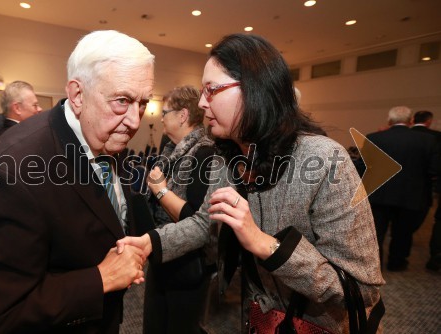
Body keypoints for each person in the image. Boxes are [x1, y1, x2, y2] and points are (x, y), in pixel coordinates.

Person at [118, 34, 384, 334]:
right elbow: (205, 223)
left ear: (254, 90)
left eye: (211, 90)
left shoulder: (324, 159)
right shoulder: (226, 157)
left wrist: (264, 244)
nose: (202, 103)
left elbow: (362, 289)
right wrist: (151, 241)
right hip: (256, 320)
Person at [0, 30, 154, 334]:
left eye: (143, 102)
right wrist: (101, 279)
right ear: (77, 95)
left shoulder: (107, 133)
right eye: (122, 100)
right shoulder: (10, 172)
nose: (135, 120)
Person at [143, 86, 215, 334]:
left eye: (165, 112)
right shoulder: (170, 149)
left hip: (187, 264)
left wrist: (161, 190)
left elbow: (194, 219)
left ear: (183, 115)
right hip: (162, 251)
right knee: (154, 325)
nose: (161, 117)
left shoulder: (204, 153)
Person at [365, 106, 438, 271]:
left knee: (376, 233)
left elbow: (364, 166)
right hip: (411, 195)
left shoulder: (374, 138)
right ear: (411, 121)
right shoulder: (427, 141)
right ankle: (396, 263)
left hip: (379, 195)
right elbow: (434, 170)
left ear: (389, 121)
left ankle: (374, 265)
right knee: (403, 233)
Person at [411, 110, 441, 271]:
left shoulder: (401, 135)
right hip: (421, 187)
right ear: (429, 121)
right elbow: (435, 167)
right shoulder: (435, 137)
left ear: (413, 120)